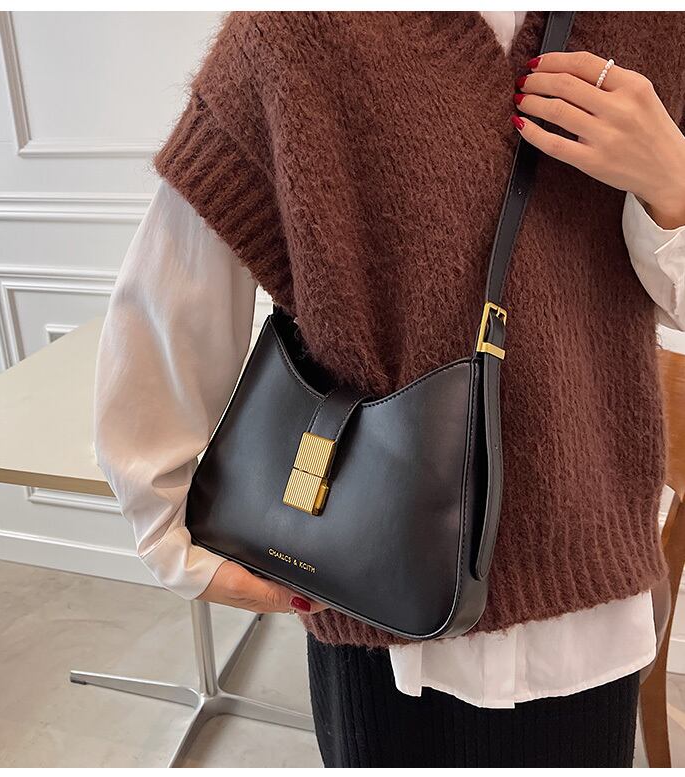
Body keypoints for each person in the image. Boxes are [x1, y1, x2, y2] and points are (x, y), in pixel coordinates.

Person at [93, 11, 685, 767]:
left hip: (593, 601)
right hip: (378, 604)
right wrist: (166, 523)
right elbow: (173, 289)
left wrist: (674, 181)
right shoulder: (298, 32)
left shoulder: (661, 26)